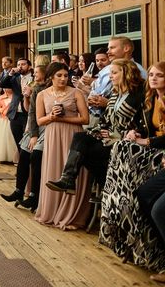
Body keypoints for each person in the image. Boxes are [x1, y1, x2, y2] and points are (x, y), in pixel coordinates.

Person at [99, 62, 165, 270]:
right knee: (142, 194)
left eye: (159, 76)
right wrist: (137, 133)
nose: (153, 78)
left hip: (158, 151)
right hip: (154, 149)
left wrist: (148, 142)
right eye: (152, 74)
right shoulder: (152, 99)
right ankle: (119, 216)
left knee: (156, 208)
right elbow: (147, 128)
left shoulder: (140, 95)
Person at [46, 58, 144, 193]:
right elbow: (105, 119)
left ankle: (103, 186)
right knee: (81, 138)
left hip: (126, 142)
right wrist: (103, 130)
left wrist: (116, 135)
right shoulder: (116, 93)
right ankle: (68, 179)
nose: (110, 76)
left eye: (114, 73)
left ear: (126, 72)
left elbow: (142, 124)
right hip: (109, 137)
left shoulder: (139, 94)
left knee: (85, 151)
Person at [35, 62, 90, 230]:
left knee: (72, 171)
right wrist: (52, 116)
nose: (63, 78)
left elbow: (85, 119)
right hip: (52, 135)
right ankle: (51, 212)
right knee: (54, 169)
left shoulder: (76, 93)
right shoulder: (42, 95)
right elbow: (39, 120)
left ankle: (71, 215)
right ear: (51, 76)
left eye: (65, 75)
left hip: (73, 134)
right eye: (59, 75)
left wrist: (62, 118)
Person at [1, 63, 49, 211]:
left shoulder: (46, 90)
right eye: (33, 73)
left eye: (36, 73)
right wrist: (27, 97)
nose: (34, 76)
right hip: (34, 124)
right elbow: (30, 111)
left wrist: (34, 134)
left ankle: (34, 196)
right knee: (23, 156)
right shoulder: (34, 88)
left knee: (35, 157)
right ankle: (18, 191)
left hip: (47, 127)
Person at [0, 58, 33, 147]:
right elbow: (2, 84)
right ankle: (20, 159)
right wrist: (10, 74)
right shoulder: (15, 77)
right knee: (17, 139)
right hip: (15, 113)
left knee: (27, 139)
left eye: (23, 64)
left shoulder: (34, 77)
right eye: (18, 65)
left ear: (29, 66)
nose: (20, 67)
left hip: (28, 113)